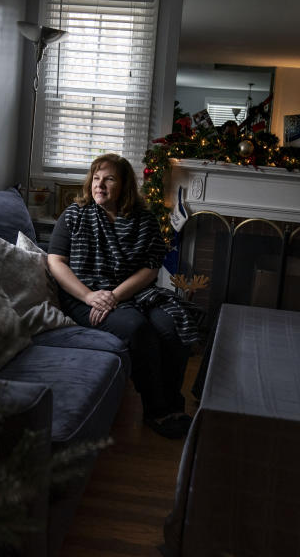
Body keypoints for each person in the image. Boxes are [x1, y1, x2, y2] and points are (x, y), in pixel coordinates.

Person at [47, 154, 199, 439]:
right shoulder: (75, 215)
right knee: (137, 329)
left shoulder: (143, 220)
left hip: (132, 293)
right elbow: (56, 262)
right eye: (96, 178)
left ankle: (172, 401)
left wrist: (115, 295)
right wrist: (90, 296)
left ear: (125, 185)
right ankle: (157, 410)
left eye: (109, 179)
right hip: (84, 295)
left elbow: (151, 268)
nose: (99, 185)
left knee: (171, 326)